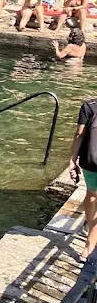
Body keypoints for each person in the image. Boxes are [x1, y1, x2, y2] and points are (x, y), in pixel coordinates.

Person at [70, 97, 97, 259]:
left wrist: (72, 161)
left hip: (92, 161)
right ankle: (90, 243)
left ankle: (88, 245)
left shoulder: (90, 106)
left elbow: (80, 134)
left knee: (93, 193)